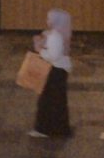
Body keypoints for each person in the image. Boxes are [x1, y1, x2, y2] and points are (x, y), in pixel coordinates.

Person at [30, 8, 73, 138]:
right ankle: (59, 128)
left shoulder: (55, 36)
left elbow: (53, 56)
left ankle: (45, 129)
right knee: (58, 101)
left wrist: (39, 50)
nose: (47, 21)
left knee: (47, 101)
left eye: (49, 18)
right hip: (61, 70)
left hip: (54, 71)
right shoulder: (59, 33)